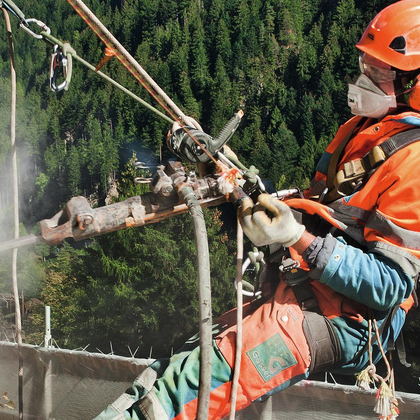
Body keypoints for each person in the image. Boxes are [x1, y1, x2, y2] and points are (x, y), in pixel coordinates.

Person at [94, 1, 420, 419]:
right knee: (172, 368)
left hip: (347, 321)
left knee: (177, 395)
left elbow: (391, 285)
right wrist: (226, 172)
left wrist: (296, 239)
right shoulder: (359, 132)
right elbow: (323, 210)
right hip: (307, 292)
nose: (364, 78)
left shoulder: (412, 162)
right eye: (365, 63)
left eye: (381, 71)